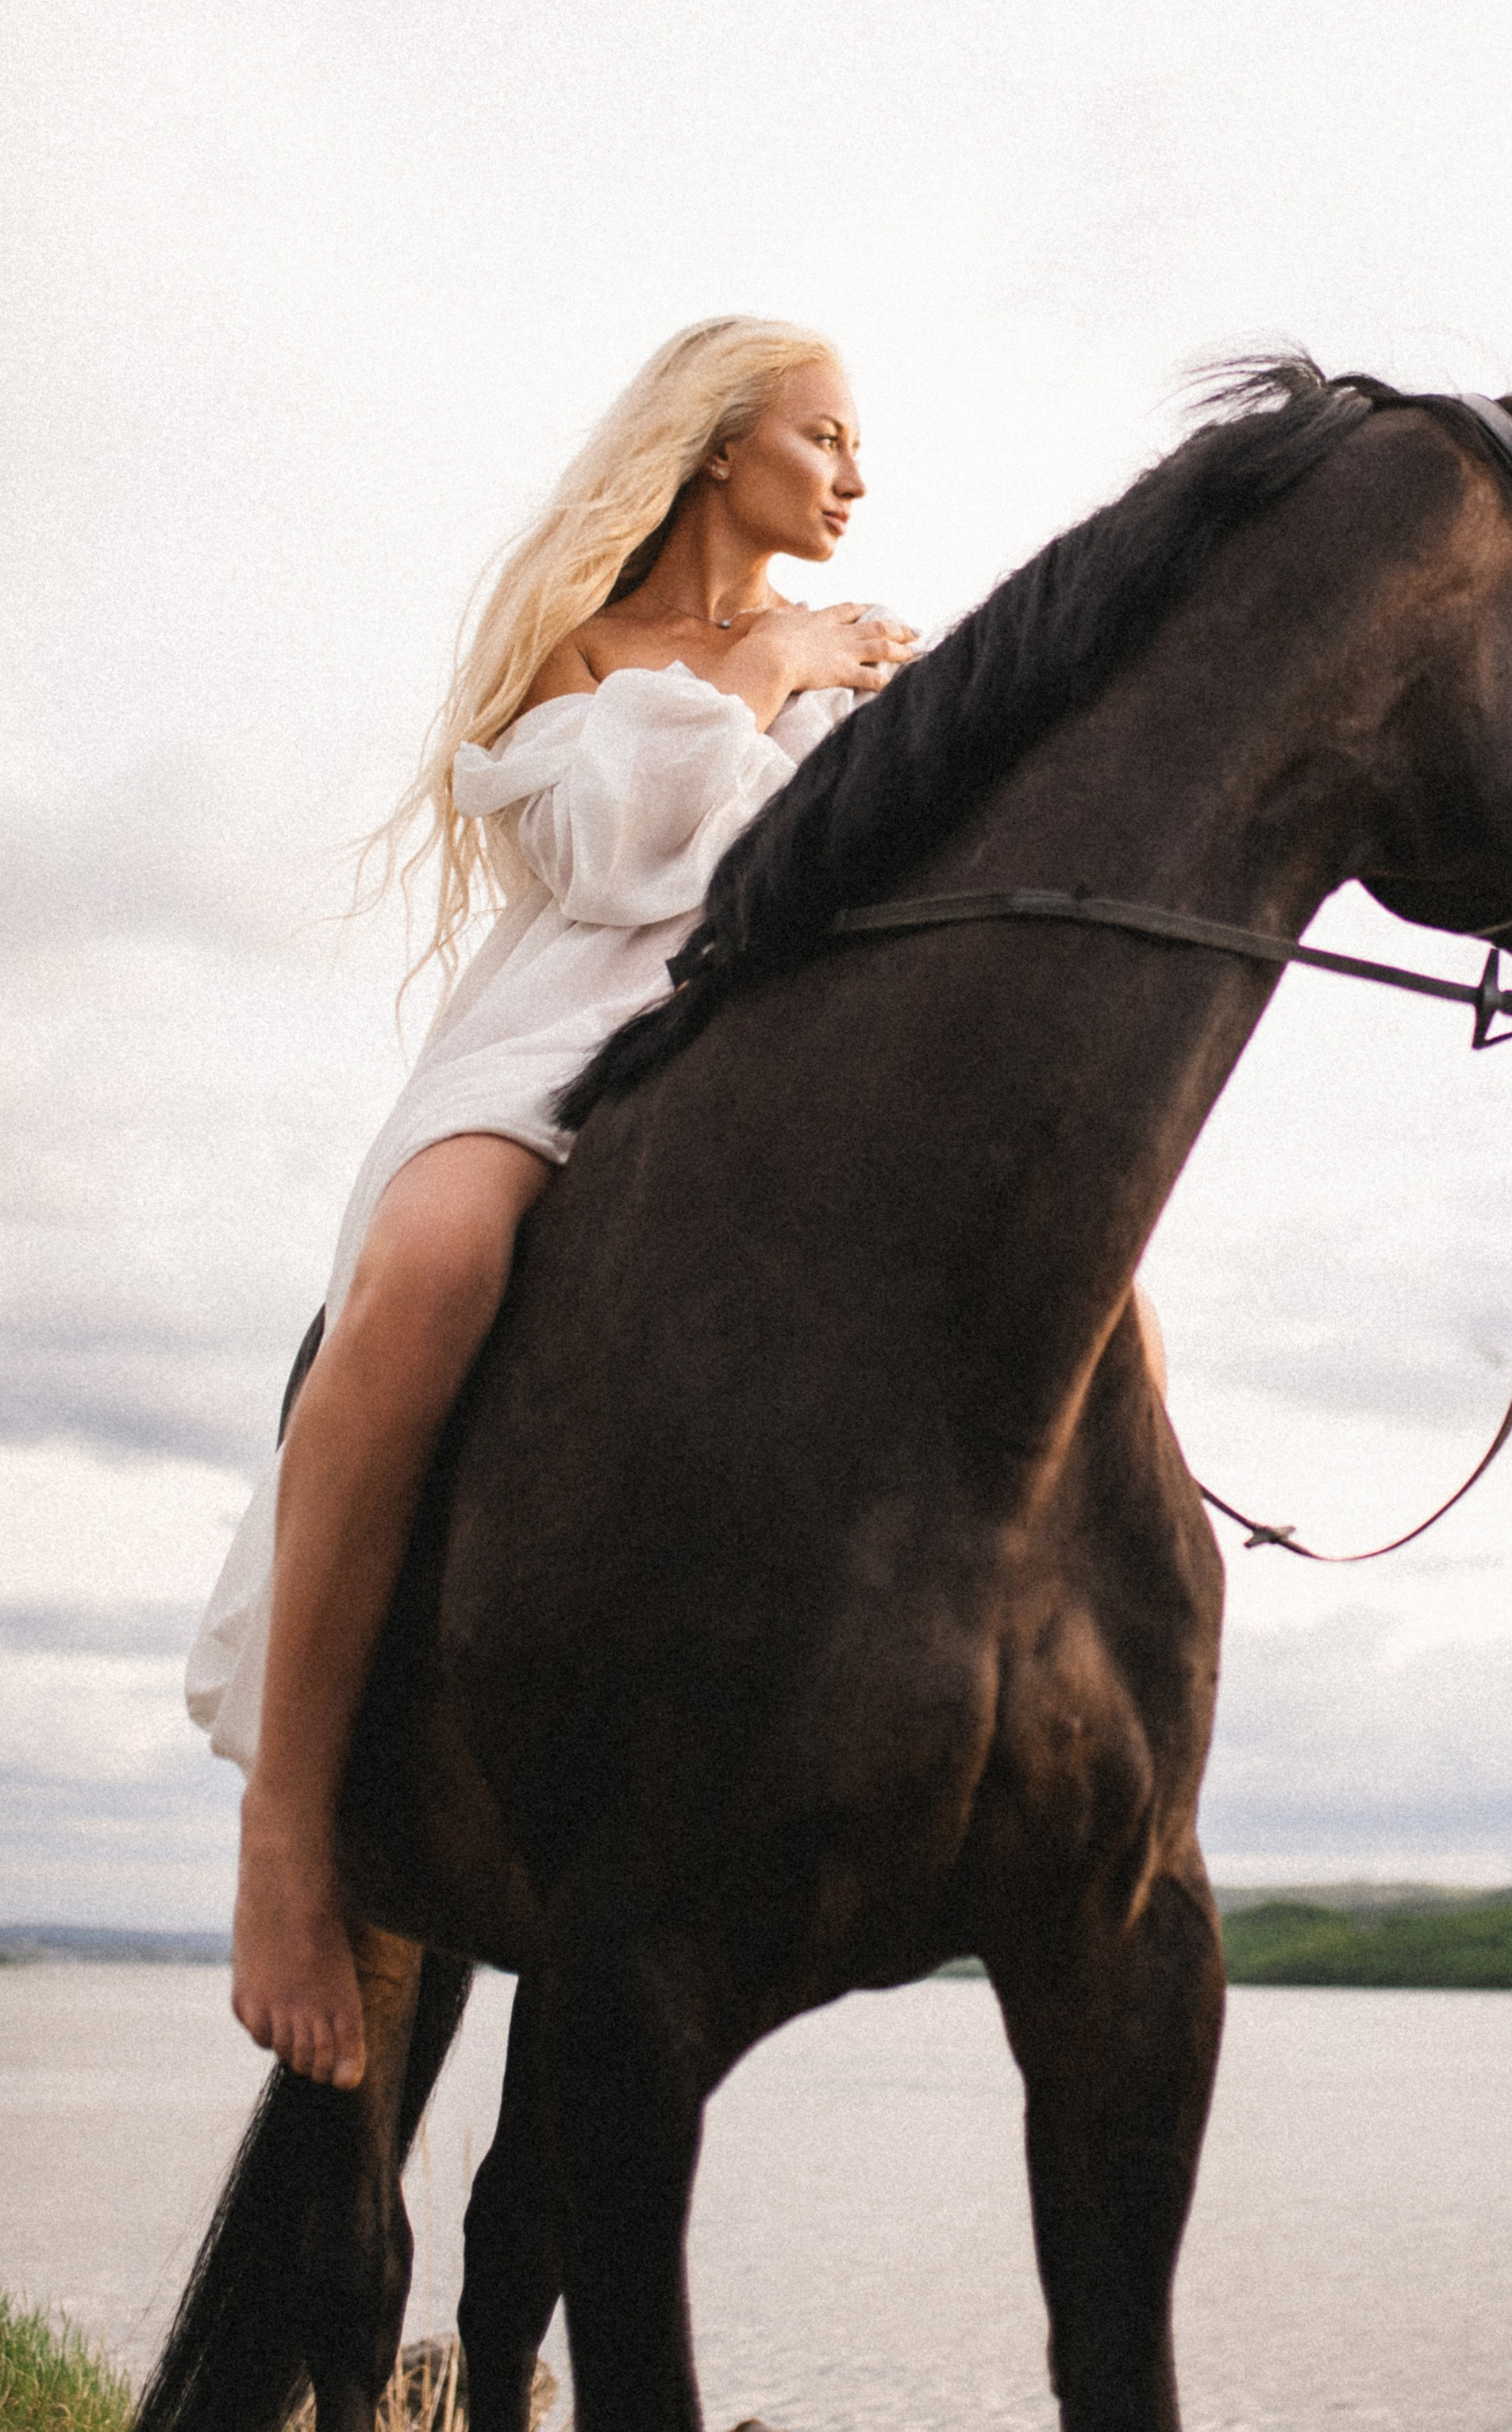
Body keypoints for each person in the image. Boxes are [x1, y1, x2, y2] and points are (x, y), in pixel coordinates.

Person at [185, 317, 916, 2092]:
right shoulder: (574, 654)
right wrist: (772, 664)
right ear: (719, 441)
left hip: (766, 1031)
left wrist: (835, 676)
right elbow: (619, 846)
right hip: (558, 1030)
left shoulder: (872, 658)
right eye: (823, 435)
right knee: (429, 1259)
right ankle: (291, 1830)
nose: (854, 475)